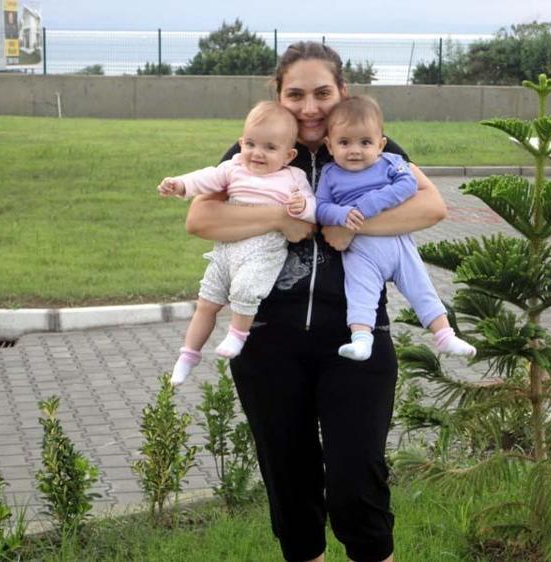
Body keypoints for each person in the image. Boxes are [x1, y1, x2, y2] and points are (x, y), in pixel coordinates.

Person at [186, 42, 448, 562]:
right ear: (278, 94)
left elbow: (432, 206)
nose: (309, 108)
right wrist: (281, 219)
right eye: (296, 94)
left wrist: (352, 225)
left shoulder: (366, 145)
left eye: (322, 93)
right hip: (268, 344)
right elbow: (200, 219)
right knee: (290, 481)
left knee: (357, 480)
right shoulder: (255, 149)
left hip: (356, 338)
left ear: (342, 91)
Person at [158, 101, 315, 385]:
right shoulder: (233, 168)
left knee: (245, 289)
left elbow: (312, 211)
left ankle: (237, 335)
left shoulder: (293, 178)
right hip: (226, 248)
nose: (257, 153)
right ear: (241, 142)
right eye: (251, 144)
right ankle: (188, 354)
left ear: (289, 155)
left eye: (270, 148)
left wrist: (302, 206)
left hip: (264, 249)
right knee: (207, 301)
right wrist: (179, 184)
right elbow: (204, 178)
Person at [316, 95, 476, 362]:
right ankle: (361, 340)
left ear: (380, 144)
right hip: (360, 251)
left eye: (365, 143)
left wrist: (370, 204)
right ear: (329, 146)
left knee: (421, 288)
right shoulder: (330, 174)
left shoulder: (391, 162)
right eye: (344, 143)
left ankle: (444, 335)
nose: (355, 150)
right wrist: (341, 214)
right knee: (360, 293)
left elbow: (408, 185)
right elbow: (321, 207)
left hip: (399, 244)